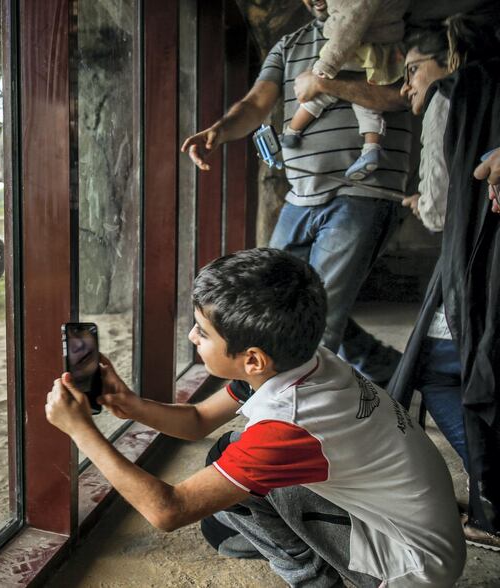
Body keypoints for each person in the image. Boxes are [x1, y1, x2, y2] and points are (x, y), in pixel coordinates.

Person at [46, 248, 466, 586]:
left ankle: (319, 580)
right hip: (420, 534)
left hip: (410, 567)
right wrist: (130, 403)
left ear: (252, 360)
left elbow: (168, 511)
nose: (192, 337)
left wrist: (81, 431)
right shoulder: (305, 360)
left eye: (203, 332)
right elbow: (197, 420)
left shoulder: (291, 423)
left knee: (237, 482)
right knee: (228, 459)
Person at [181, 0, 411, 388]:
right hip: (300, 194)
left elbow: (402, 96)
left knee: (324, 318)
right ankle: (394, 370)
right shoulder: (290, 45)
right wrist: (219, 131)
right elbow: (256, 103)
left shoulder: (388, 31)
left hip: (364, 190)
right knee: (278, 305)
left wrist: (326, 84)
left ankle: (286, 416)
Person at [388, 11, 500, 551]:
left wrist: (423, 203)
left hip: (478, 265)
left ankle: (492, 505)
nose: (408, 84)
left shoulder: (453, 95)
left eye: (413, 70)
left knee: (436, 369)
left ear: (448, 60)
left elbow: (438, 209)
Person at [282, 0, 408, 182]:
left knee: (319, 93)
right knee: (368, 107)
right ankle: (371, 149)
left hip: (357, 49)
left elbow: (350, 23)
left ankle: (291, 132)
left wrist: (325, 67)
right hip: (383, 49)